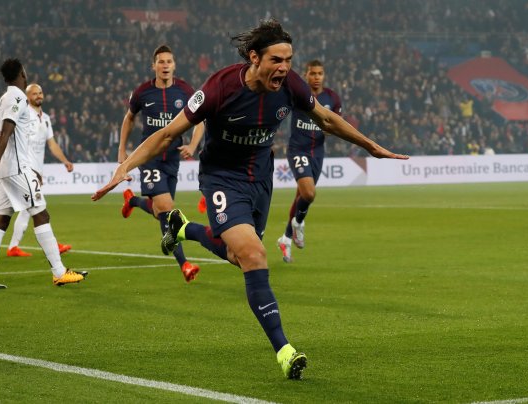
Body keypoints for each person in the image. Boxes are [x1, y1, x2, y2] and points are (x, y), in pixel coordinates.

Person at [93, 19, 408, 379]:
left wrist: (371, 147)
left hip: (260, 178)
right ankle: (285, 351)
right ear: (255, 58)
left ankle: (184, 229)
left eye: (289, 59)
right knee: (254, 254)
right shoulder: (218, 87)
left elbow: (326, 119)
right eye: (277, 59)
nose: (285, 67)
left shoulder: (290, 85)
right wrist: (125, 165)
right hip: (222, 179)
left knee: (237, 255)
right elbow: (166, 134)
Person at [0, 58, 87, 289]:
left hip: (8, 168)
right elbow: (6, 131)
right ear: (22, 73)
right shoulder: (16, 97)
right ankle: (59, 272)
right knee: (41, 214)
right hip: (13, 168)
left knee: (1, 219)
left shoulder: (4, 98)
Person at [117, 45, 205, 283]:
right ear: (153, 66)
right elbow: (129, 118)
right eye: (161, 62)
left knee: (160, 212)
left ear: (174, 65)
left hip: (172, 158)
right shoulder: (143, 92)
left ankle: (133, 200)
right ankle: (184, 264)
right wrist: (122, 149)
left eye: (169, 61)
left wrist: (193, 145)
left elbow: (200, 121)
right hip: (150, 158)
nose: (165, 65)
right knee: (166, 208)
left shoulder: (185, 90)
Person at [276, 60, 342, 263]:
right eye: (312, 73)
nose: (316, 77)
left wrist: (329, 130)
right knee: (309, 193)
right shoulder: (298, 94)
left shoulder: (332, 98)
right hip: (298, 149)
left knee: (301, 197)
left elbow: (335, 124)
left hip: (318, 153)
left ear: (324, 76)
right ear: (306, 75)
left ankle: (285, 239)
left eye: (320, 73)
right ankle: (299, 224)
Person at [6, 83, 73, 257]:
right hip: (25, 169)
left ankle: (13, 247)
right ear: (27, 97)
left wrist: (65, 161)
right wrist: (29, 169)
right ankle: (51, 245)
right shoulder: (23, 115)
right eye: (34, 93)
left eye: (40, 92)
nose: (38, 96)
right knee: (37, 207)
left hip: (36, 170)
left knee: (27, 209)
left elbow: (51, 144)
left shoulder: (46, 118)